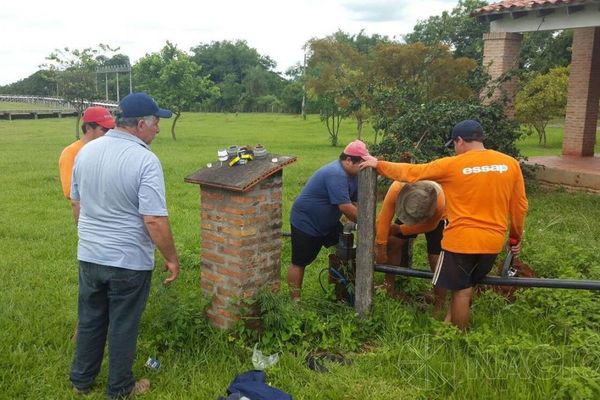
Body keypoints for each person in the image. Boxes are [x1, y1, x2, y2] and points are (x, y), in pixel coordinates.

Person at [361, 120, 528, 330]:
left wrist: (378, 164)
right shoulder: (510, 163)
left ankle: (458, 338)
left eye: (454, 144)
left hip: (460, 242)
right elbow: (520, 206)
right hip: (492, 241)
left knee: (461, 291)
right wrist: (515, 238)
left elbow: (413, 173)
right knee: (468, 287)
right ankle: (447, 330)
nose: (455, 149)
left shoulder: (453, 164)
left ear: (459, 141)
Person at [69, 92, 180, 398]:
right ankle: (119, 388)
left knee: (91, 318)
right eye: (156, 122)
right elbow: (154, 220)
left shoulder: (86, 152)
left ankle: (81, 380)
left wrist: (90, 237)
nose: (158, 129)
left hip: (89, 255)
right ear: (141, 124)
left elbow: (76, 204)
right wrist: (171, 258)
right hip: (127, 261)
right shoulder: (145, 159)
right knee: (123, 323)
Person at [288, 140, 371, 300]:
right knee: (299, 262)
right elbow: (346, 208)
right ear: (348, 160)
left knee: (346, 251)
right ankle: (295, 302)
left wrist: (366, 218)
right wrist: (368, 226)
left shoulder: (354, 175)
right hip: (306, 222)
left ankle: (346, 290)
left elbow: (355, 203)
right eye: (361, 162)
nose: (363, 166)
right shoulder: (336, 173)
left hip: (329, 223)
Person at [376, 180, 447, 315]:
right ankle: (388, 287)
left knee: (435, 257)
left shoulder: (439, 201)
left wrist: (401, 229)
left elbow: (430, 226)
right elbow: (383, 220)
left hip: (437, 218)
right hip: (412, 207)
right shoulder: (397, 188)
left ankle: (439, 303)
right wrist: (381, 246)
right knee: (393, 243)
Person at [59, 106, 115, 201]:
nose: (109, 133)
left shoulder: (111, 149)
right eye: (104, 130)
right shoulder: (70, 153)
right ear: (88, 128)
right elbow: (69, 191)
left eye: (112, 129)